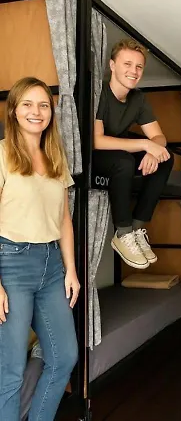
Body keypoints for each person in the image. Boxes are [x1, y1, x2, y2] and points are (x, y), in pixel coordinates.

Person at [0, 77, 80, 420]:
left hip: (52, 266)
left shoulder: (55, 157)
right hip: (11, 265)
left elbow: (63, 220)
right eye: (28, 104)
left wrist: (71, 270)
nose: (37, 111)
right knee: (11, 369)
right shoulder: (2, 153)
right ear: (14, 111)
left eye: (44, 105)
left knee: (64, 357)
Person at [93, 38, 174, 270]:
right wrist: (145, 145)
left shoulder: (138, 98)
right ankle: (123, 232)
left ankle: (137, 229)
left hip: (122, 151)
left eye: (139, 66)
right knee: (124, 162)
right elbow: (97, 141)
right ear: (112, 65)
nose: (134, 71)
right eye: (127, 64)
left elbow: (159, 137)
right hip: (95, 155)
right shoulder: (99, 92)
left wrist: (153, 151)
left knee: (166, 158)